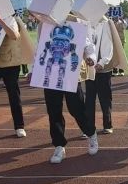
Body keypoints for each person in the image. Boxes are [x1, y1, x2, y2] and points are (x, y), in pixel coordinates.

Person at [42, 16, 100, 164]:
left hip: (71, 76)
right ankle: (59, 146)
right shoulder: (46, 25)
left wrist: (90, 58)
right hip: (51, 75)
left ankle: (91, 133)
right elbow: (41, 48)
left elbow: (88, 45)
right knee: (53, 111)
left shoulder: (75, 24)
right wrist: (33, 69)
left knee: (76, 108)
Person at [86, 10, 128, 135]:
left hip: (103, 68)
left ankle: (107, 124)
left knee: (105, 98)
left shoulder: (105, 23)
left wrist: (102, 62)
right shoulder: (85, 23)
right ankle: (88, 127)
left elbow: (108, 45)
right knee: (89, 99)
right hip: (89, 68)